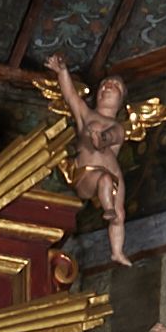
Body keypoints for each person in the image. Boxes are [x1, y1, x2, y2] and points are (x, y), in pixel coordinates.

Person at [43, 55, 136, 264]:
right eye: (104, 85)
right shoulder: (86, 114)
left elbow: (113, 136)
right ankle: (107, 209)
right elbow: (70, 96)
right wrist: (62, 71)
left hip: (114, 173)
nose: (107, 87)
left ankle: (117, 252)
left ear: (120, 100)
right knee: (104, 180)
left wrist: (102, 139)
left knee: (120, 214)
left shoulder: (118, 127)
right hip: (88, 174)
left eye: (114, 86)